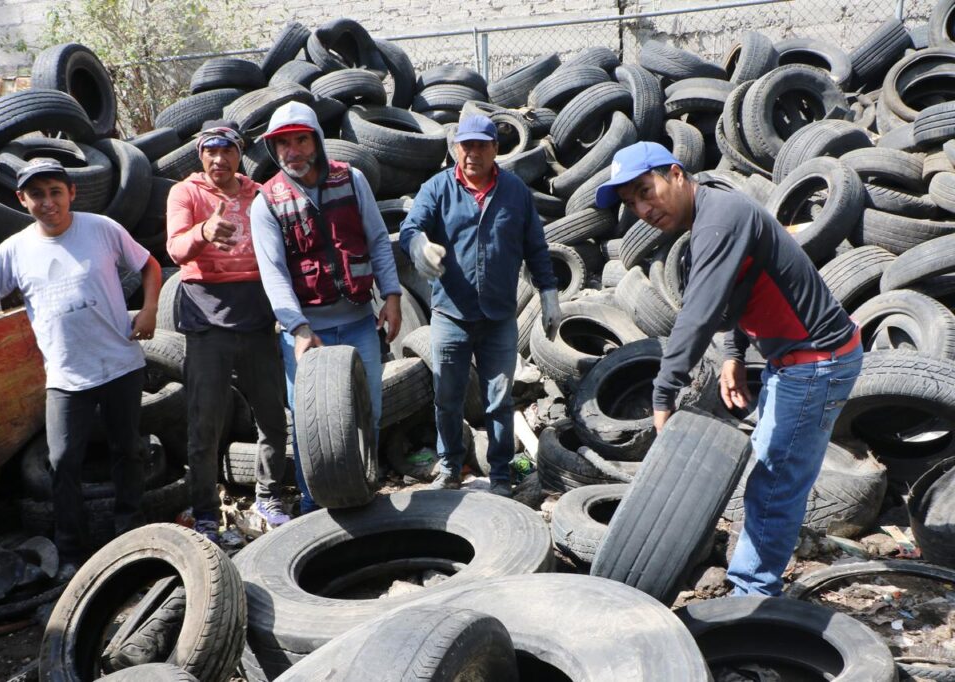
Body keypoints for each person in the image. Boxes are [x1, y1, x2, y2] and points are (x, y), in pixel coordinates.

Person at [594, 141, 863, 596]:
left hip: (817, 363)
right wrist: (735, 355)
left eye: (646, 189)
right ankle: (757, 569)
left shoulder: (719, 220)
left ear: (676, 174)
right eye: (631, 202)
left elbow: (697, 315)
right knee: (769, 469)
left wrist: (663, 394)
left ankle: (751, 596)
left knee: (775, 483)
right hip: (792, 360)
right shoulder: (712, 217)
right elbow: (737, 295)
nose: (642, 208)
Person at [0, 157, 162, 576]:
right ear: (22, 199)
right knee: (62, 461)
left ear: (71, 192)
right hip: (66, 377)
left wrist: (149, 310)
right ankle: (72, 553)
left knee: (126, 451)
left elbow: (149, 265)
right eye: (36, 194)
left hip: (120, 365)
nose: (47, 201)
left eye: (55, 191)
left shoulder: (102, 229)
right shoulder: (16, 250)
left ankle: (132, 532)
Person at [250, 101, 402, 514]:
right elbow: (273, 273)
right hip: (305, 332)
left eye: (301, 140)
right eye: (283, 143)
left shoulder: (351, 181)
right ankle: (311, 501)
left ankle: (363, 487)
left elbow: (377, 241)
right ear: (273, 149)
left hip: (357, 322)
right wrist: (297, 327)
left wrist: (392, 296)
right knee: (308, 420)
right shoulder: (266, 202)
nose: (292, 151)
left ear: (316, 141)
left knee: (366, 409)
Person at [400, 114, 561, 497]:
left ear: (496, 150)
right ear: (456, 149)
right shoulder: (438, 188)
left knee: (499, 399)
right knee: (448, 396)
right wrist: (418, 245)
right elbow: (410, 227)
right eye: (465, 145)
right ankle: (451, 467)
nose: (472, 153)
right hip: (450, 314)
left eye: (481, 146)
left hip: (498, 317)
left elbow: (535, 247)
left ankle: (502, 475)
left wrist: (549, 293)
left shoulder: (516, 192)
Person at [166, 120, 290, 540]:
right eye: (210, 151)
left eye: (227, 151)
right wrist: (203, 231)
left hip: (256, 318)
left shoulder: (258, 194)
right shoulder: (186, 192)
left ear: (240, 154)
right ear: (201, 154)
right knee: (205, 424)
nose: (219, 159)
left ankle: (269, 497)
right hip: (205, 320)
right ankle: (204, 511)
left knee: (273, 417)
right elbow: (175, 248)